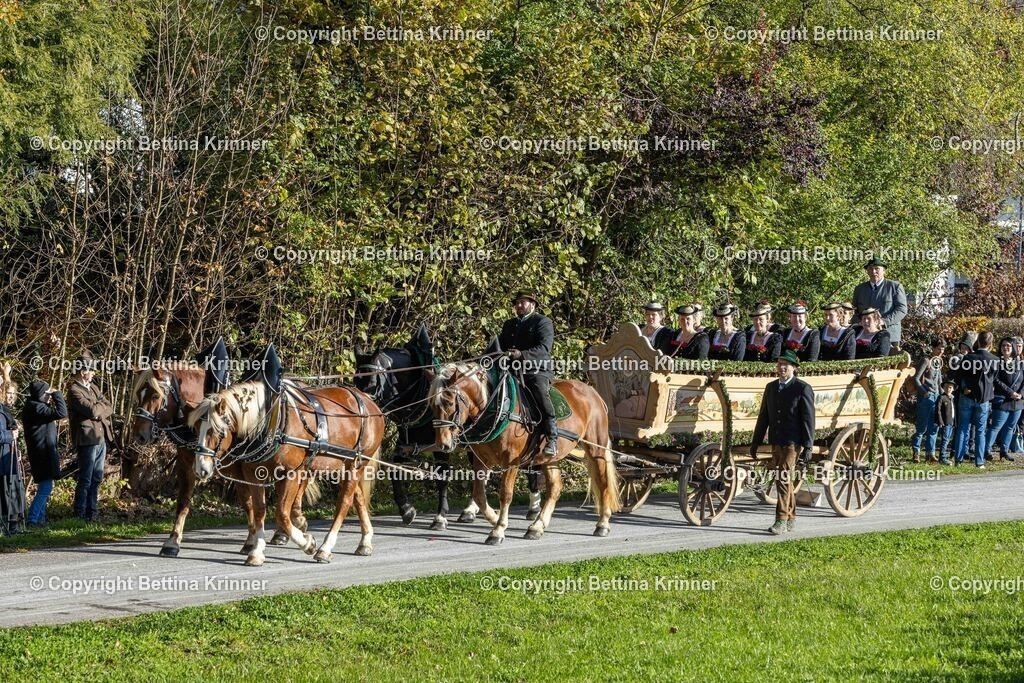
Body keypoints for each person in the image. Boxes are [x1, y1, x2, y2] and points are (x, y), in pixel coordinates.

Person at [749, 350, 815, 534]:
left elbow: (808, 420)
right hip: (776, 440)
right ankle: (791, 517)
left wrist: (808, 446)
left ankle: (781, 520)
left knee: (783, 479)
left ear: (794, 368)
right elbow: (764, 417)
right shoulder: (771, 387)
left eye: (786, 364)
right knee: (783, 481)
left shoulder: (802, 388)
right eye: (779, 364)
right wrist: (756, 442)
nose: (781, 367)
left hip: (793, 442)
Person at [499, 292, 558, 458]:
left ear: (532, 304)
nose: (518, 305)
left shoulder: (542, 322)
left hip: (536, 370)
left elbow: (544, 348)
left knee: (540, 393)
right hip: (511, 370)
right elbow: (500, 345)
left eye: (522, 302)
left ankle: (552, 437)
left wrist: (521, 354)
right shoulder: (509, 324)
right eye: (517, 303)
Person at [67, 351, 115, 521]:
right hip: (87, 439)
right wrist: (99, 409)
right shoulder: (74, 390)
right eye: (92, 370)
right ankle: (79, 513)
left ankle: (92, 513)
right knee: (85, 478)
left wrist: (98, 410)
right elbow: (94, 410)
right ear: (83, 371)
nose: (94, 373)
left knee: (97, 478)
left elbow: (109, 407)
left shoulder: (94, 387)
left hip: (101, 437)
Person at [23, 380, 67, 527]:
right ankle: (33, 519)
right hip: (42, 455)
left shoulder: (36, 406)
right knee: (46, 488)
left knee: (45, 487)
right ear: (40, 394)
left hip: (43, 453)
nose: (48, 396)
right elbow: (62, 412)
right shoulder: (36, 408)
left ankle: (40, 520)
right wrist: (57, 394)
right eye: (46, 394)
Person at [953, 331, 998, 469]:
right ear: (990, 344)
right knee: (980, 431)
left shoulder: (968, 358)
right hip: (983, 398)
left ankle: (958, 460)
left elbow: (958, 377)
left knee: (962, 429)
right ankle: (979, 462)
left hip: (967, 396)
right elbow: (993, 379)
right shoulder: (995, 360)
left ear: (977, 342)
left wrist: (964, 388)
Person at [852, 257, 908, 351]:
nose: (873, 271)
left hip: (889, 335)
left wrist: (884, 321)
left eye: (877, 268)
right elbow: (854, 311)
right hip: (864, 336)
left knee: (889, 364)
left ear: (884, 270)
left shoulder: (894, 287)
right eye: (870, 268)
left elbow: (902, 310)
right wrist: (860, 322)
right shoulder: (859, 289)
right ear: (867, 271)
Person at [986, 337, 1023, 462]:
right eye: (1003, 346)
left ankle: (1004, 452)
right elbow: (996, 381)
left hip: (1017, 402)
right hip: (1002, 400)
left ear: (1012, 347)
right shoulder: (997, 362)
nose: (1005, 348)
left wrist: (1021, 394)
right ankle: (986, 450)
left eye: (1008, 345)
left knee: (1010, 428)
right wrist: (1010, 392)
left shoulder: (1020, 363)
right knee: (996, 427)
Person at [910, 337, 945, 463]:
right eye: (939, 348)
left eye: (942, 349)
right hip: (926, 397)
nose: (941, 351)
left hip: (936, 397)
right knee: (921, 427)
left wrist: (944, 395)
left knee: (934, 426)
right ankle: (916, 452)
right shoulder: (926, 360)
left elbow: (939, 381)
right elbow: (916, 378)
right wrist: (924, 392)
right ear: (933, 348)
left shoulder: (938, 361)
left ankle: (930, 453)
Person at [936, 380, 956, 465]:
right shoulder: (941, 397)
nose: (948, 389)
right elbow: (938, 410)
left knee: (948, 439)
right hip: (945, 422)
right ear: (943, 388)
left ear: (953, 389)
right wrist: (940, 421)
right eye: (947, 387)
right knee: (945, 440)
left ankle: (946, 455)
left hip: (952, 422)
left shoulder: (953, 398)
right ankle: (942, 457)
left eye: (950, 387)